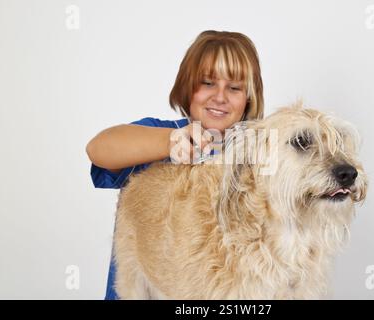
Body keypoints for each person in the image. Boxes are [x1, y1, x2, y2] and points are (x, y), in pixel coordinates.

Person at [86, 30, 264, 299]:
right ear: (186, 87)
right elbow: (99, 149)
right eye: (207, 83)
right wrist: (171, 141)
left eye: (235, 88)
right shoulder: (155, 137)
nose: (220, 96)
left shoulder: (259, 154)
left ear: (249, 98)